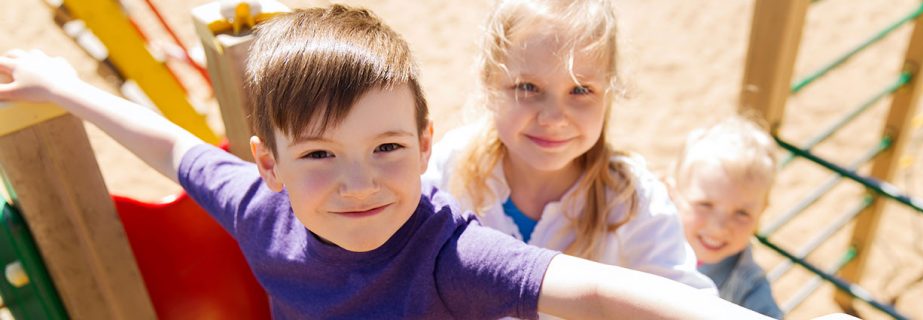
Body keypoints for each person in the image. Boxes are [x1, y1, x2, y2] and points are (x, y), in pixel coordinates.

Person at [0, 4, 767, 319]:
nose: (359, 182)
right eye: (322, 155)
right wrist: (66, 88)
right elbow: (176, 150)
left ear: (424, 146)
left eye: (388, 150)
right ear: (269, 165)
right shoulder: (256, 207)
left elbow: (598, 289)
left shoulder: (446, 253)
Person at [422, 0, 714, 294]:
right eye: (528, 87)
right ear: (489, 82)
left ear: (608, 92)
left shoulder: (632, 199)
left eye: (580, 90)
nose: (553, 118)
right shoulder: (451, 169)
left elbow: (689, 300)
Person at [666, 115, 783, 318]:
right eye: (705, 204)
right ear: (673, 194)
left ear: (761, 212)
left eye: (742, 213)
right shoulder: (646, 237)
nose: (719, 227)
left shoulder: (749, 290)